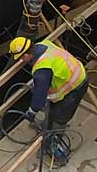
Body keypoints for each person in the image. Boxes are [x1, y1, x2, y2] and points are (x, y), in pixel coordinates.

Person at [7, 35, 88, 165]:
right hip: (77, 72)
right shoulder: (44, 45)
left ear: (27, 53)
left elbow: (39, 98)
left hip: (74, 88)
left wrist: (32, 111)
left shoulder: (42, 71)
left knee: (59, 117)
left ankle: (54, 145)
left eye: (22, 57)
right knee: (51, 108)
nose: (21, 60)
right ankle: (48, 127)